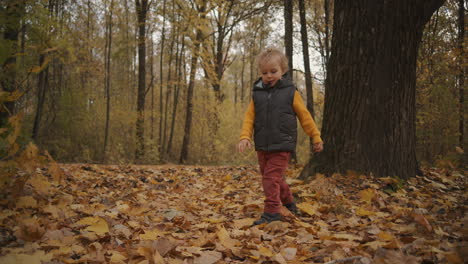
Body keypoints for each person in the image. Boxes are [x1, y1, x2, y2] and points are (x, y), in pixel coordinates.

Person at [238, 47, 324, 225]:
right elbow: (249, 117)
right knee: (275, 178)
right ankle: (289, 203)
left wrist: (315, 137)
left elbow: (305, 116)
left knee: (270, 179)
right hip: (263, 146)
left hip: (282, 145)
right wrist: (245, 137)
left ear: (283, 70)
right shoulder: (257, 94)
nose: (269, 75)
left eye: (273, 71)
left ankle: (272, 212)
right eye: (264, 72)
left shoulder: (291, 92)